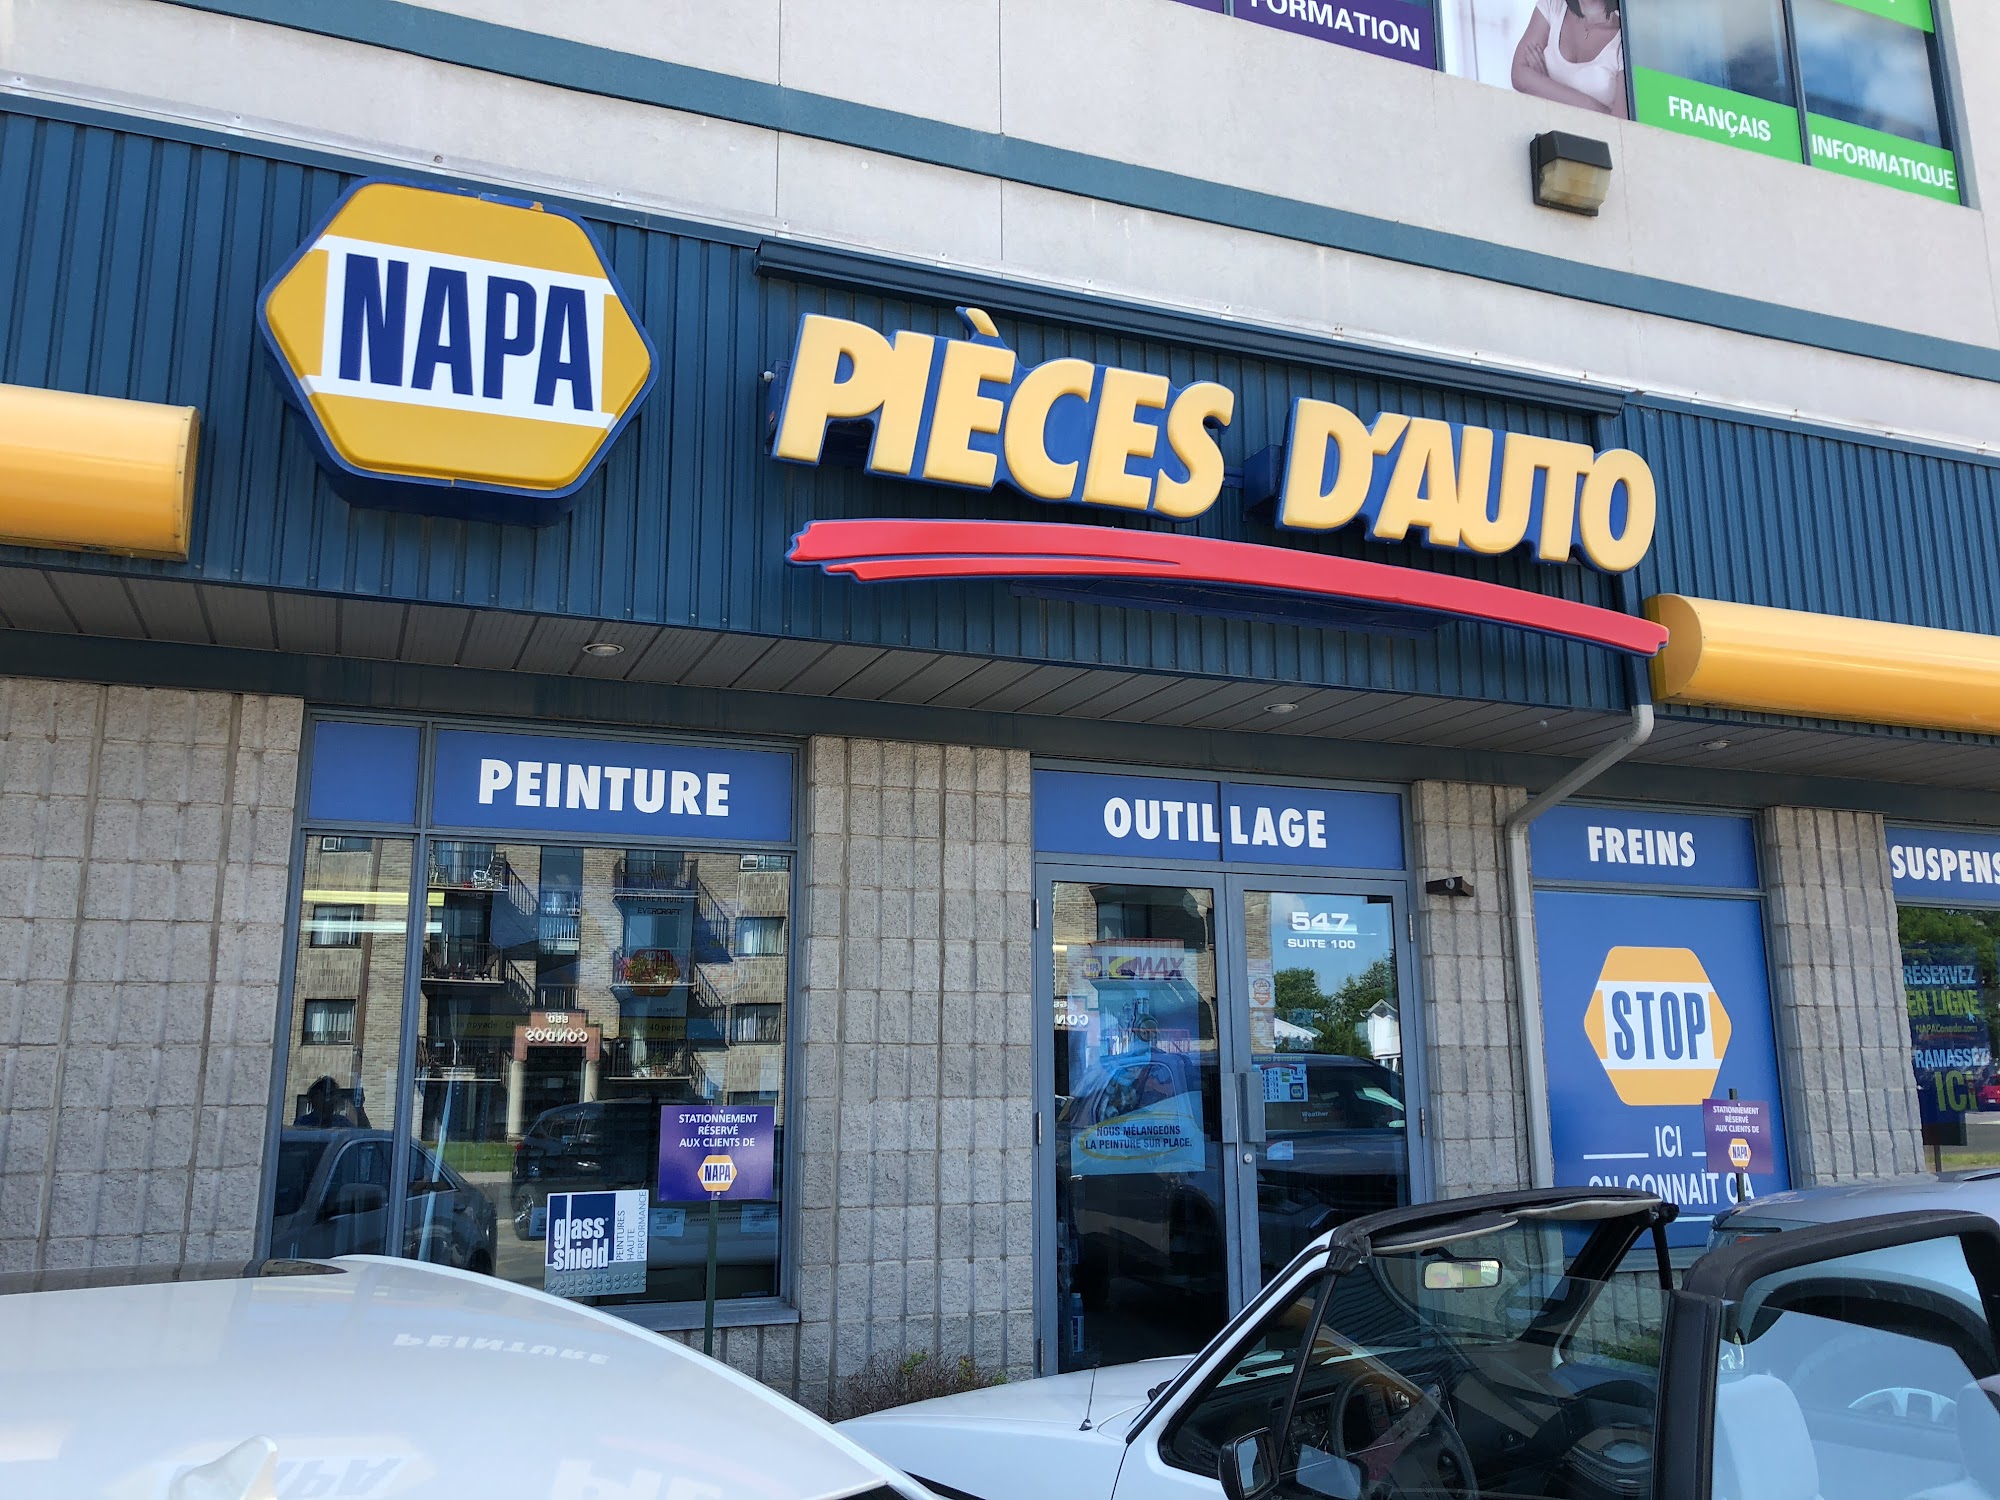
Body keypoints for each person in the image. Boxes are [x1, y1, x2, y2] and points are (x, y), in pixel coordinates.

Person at [1511, 0, 1627, 118]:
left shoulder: (1628, 38)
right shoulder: (1553, 4)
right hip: (1540, 125)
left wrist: (1544, 86)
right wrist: (1598, 109)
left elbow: (1621, 123)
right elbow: (1518, 75)